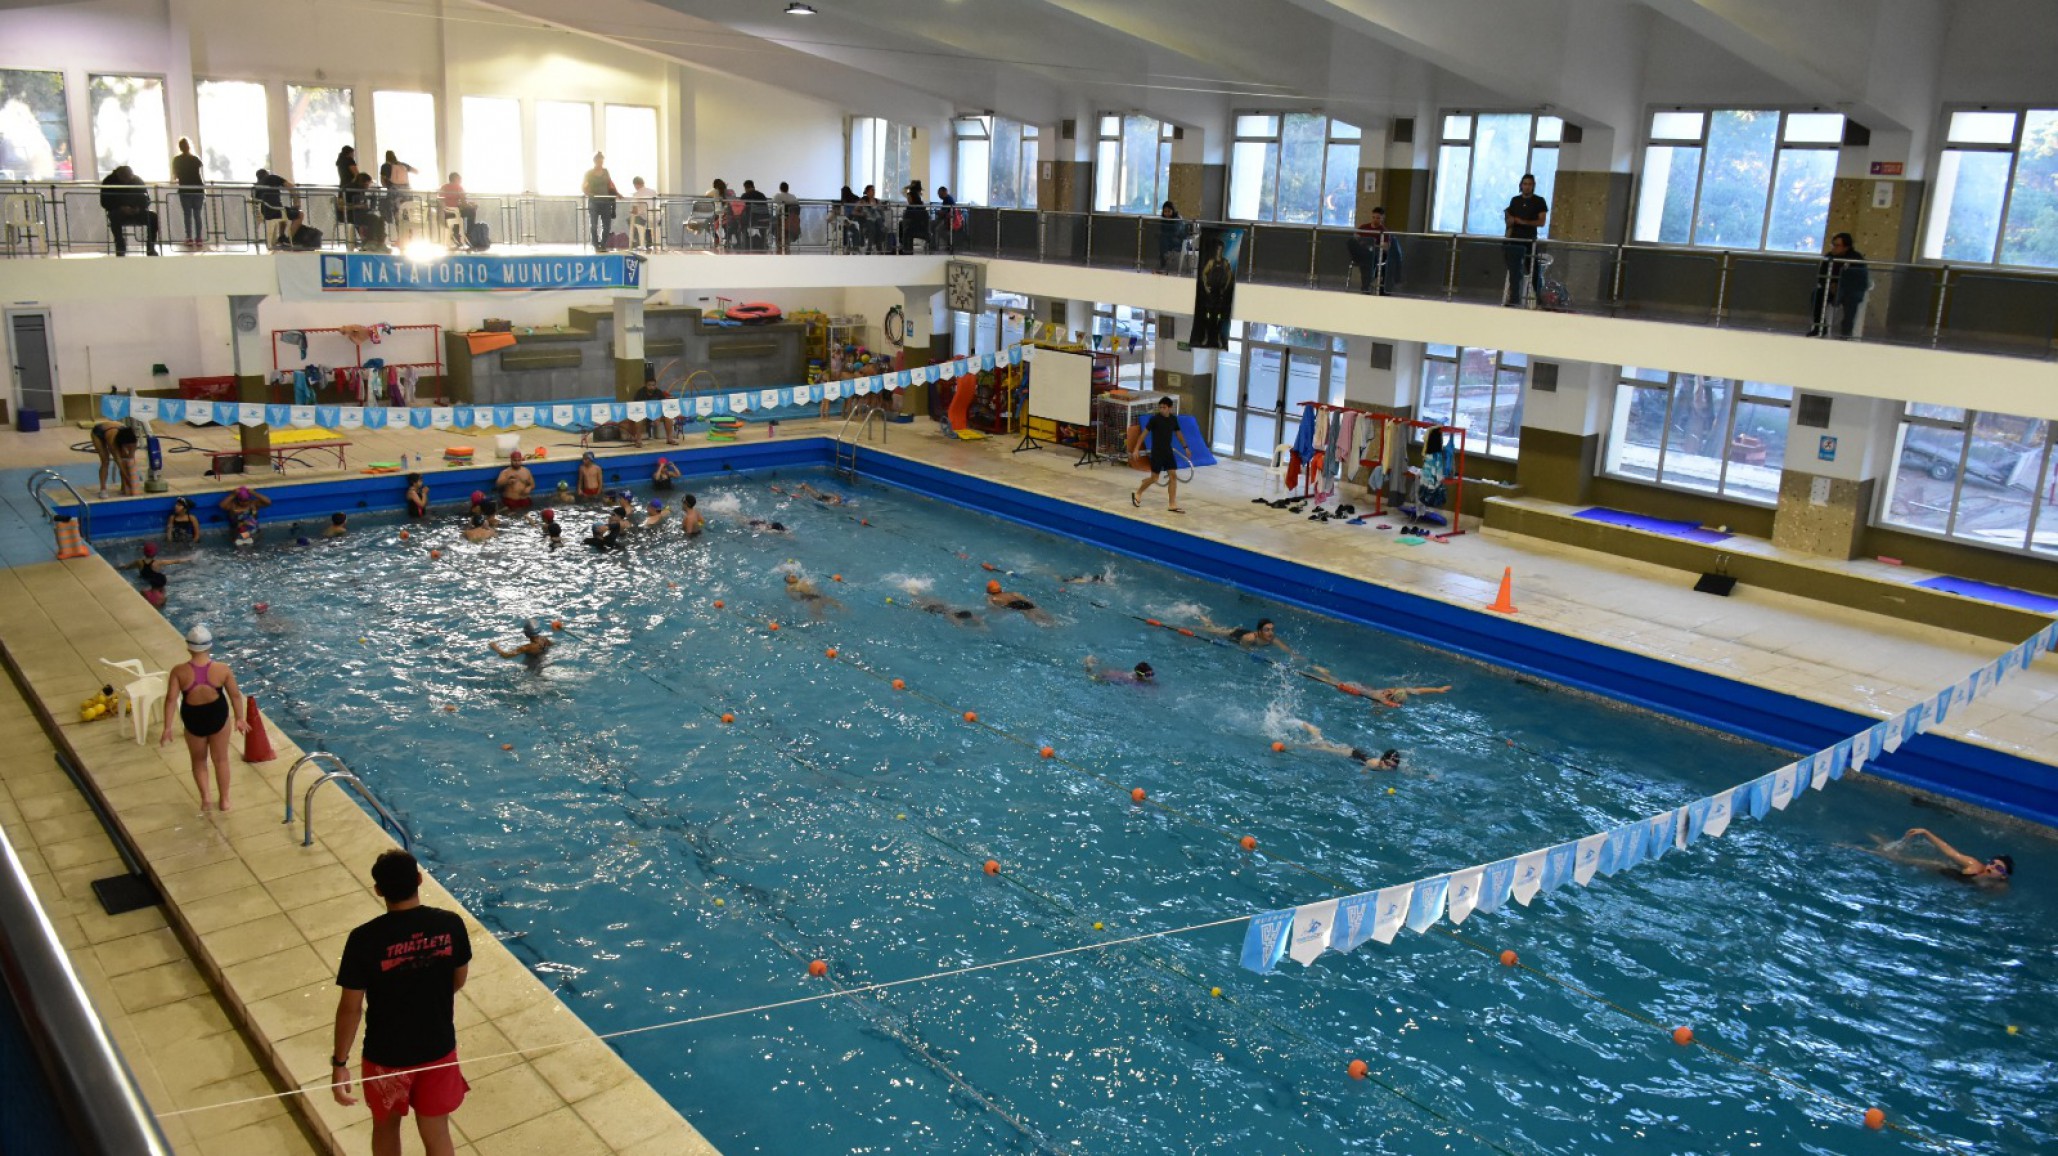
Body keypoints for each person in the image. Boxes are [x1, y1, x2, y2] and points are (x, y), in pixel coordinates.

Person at [331, 849, 473, 1156]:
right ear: (420, 880)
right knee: (437, 1134)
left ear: (379, 890)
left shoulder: (363, 939)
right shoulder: (450, 925)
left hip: (386, 1056)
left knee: (385, 1128)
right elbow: (457, 980)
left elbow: (350, 1008)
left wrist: (340, 1062)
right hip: (438, 1048)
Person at [159, 624, 246, 811]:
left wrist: (167, 728)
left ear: (188, 647)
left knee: (198, 760)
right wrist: (240, 718)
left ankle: (206, 799)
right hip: (218, 717)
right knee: (221, 759)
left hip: (193, 720)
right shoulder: (222, 669)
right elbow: (236, 695)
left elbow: (171, 700)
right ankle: (224, 801)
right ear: (210, 646)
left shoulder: (179, 671)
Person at [1130, 398, 1191, 513]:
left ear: (1170, 408)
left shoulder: (1173, 419)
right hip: (1157, 452)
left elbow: (1179, 434)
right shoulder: (1155, 420)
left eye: (1164, 407)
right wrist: (1136, 449)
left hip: (1168, 451)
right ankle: (1138, 493)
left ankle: (1172, 504)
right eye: (1160, 407)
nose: (1162, 410)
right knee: (1154, 478)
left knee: (1173, 476)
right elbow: (1143, 435)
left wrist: (1185, 447)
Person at [1809, 232, 1872, 339]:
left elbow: (1859, 279)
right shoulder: (1829, 257)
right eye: (1833, 245)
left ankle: (1846, 332)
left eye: (1837, 245)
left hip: (1850, 290)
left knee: (1851, 300)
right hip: (1832, 288)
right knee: (1817, 294)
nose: (1834, 248)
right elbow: (1822, 275)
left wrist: (1841, 285)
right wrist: (1829, 285)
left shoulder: (1856, 258)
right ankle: (1819, 326)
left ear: (1846, 247)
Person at [1897, 827, 2013, 883]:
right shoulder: (1974, 865)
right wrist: (1926, 832)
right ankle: (1887, 851)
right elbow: (1950, 852)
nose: (1992, 867)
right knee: (1902, 860)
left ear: (2003, 876)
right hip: (1948, 872)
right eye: (1992, 863)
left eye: (1998, 868)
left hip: (1960, 886)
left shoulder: (1997, 888)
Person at [1502, 173, 1548, 308]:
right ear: (1521, 185)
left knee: (1535, 272)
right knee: (1515, 272)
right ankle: (1514, 300)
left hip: (1530, 241)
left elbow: (1541, 222)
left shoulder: (1539, 201)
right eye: (1525, 184)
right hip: (1515, 240)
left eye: (1530, 184)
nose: (1527, 187)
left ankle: (1540, 301)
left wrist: (1522, 221)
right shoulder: (1514, 200)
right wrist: (1510, 220)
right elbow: (1509, 219)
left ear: (1533, 186)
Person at [1283, 719, 1401, 771]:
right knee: (1320, 748)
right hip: (1349, 753)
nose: (1390, 768)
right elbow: (1365, 770)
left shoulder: (1387, 766)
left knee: (1323, 745)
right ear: (1382, 761)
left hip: (1358, 753)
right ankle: (1297, 743)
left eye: (1393, 766)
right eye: (1388, 764)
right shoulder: (1374, 764)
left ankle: (1315, 732)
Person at [99, 165, 160, 256]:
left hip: (137, 211)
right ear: (119, 176)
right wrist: (121, 207)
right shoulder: (108, 181)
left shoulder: (137, 180)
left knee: (153, 217)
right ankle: (120, 247)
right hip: (118, 211)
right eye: (125, 178)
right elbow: (105, 202)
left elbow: (146, 199)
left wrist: (139, 208)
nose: (127, 181)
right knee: (114, 216)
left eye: (129, 178)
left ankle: (150, 247)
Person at [1348, 206, 1402, 295]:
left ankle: (1366, 287)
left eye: (1378, 218)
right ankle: (1366, 286)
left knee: (1368, 261)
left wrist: (1373, 245)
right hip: (1362, 253)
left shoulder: (1384, 231)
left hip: (1374, 254)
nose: (1375, 220)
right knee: (1351, 243)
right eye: (1373, 217)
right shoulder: (1364, 227)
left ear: (1382, 218)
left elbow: (1386, 247)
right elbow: (1355, 238)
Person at [1192, 236, 1235, 347]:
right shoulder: (1211, 262)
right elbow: (1203, 273)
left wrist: (1225, 287)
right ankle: (1206, 337)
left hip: (1219, 294)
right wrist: (1206, 286)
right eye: (1218, 249)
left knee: (1219, 318)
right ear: (1216, 250)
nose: (1219, 251)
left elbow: (1230, 275)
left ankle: (1219, 338)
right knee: (1207, 317)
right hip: (1211, 294)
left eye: (1221, 249)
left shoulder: (1225, 262)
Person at [120, 542, 186, 608]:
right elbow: (175, 561)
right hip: (154, 585)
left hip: (142, 582)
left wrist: (119, 566)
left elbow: (126, 567)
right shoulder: (157, 563)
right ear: (155, 553)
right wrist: (189, 559)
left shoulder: (139, 562)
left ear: (144, 552)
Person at [1197, 614, 1292, 655]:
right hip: (1235, 635)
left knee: (1215, 629)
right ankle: (1200, 620)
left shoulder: (1272, 638)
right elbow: (1243, 647)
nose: (1270, 632)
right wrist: (1251, 651)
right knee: (1211, 631)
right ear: (1259, 631)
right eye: (1267, 630)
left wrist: (1293, 655)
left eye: (1272, 629)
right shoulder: (1249, 639)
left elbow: (1283, 647)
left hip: (1244, 632)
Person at [89, 420, 139, 497]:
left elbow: (131, 461)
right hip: (99, 432)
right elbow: (119, 463)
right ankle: (103, 489)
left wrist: (133, 480)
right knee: (105, 461)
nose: (129, 448)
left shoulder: (133, 442)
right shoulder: (113, 441)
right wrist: (129, 481)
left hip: (118, 429)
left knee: (125, 460)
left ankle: (123, 488)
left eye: (130, 447)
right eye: (127, 447)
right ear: (122, 444)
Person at [583, 153, 619, 251]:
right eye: (598, 161)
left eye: (602, 161)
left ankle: (603, 244)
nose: (600, 163)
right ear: (595, 161)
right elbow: (584, 186)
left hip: (606, 201)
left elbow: (610, 184)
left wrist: (617, 193)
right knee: (594, 224)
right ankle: (595, 244)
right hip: (594, 202)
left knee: (607, 225)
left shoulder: (606, 171)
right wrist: (588, 193)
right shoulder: (589, 173)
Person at [171, 137, 204, 244]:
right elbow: (199, 173)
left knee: (187, 214)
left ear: (180, 148)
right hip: (198, 189)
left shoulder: (177, 160)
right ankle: (199, 238)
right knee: (197, 214)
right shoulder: (195, 159)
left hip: (185, 189)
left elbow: (175, 176)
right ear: (189, 146)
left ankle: (189, 237)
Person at [345, 172, 387, 252]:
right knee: (373, 219)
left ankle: (380, 242)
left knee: (380, 219)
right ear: (364, 182)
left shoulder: (361, 190)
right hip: (350, 214)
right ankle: (370, 242)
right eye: (368, 183)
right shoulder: (349, 189)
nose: (369, 186)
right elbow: (341, 206)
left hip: (360, 213)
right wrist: (357, 206)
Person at [632, 371, 677, 446]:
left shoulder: (658, 392)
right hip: (644, 415)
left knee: (668, 417)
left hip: (657, 415)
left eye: (653, 385)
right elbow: (637, 407)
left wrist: (658, 416)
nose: (651, 387)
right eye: (649, 385)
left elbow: (664, 406)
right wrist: (650, 415)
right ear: (645, 385)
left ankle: (669, 439)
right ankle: (638, 441)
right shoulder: (640, 393)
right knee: (638, 418)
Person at [253, 168, 292, 249]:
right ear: (267, 174)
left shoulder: (256, 186)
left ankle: (280, 238)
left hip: (263, 212)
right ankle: (284, 238)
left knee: (283, 212)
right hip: (275, 211)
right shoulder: (273, 178)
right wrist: (296, 199)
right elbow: (290, 186)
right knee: (298, 214)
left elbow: (255, 201)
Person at [985, 579, 1053, 625]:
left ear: (989, 591)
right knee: (1035, 610)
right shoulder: (1012, 593)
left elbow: (992, 607)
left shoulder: (991, 597)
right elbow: (1027, 600)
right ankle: (1054, 622)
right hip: (1027, 604)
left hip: (1013, 605)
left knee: (1039, 622)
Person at [490, 619, 554, 664]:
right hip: (546, 663)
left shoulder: (526, 648)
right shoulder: (545, 639)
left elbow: (506, 655)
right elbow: (553, 645)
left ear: (526, 633)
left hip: (535, 671)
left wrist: (495, 647)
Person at [438, 173, 477, 247]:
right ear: (456, 179)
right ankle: (469, 234)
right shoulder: (458, 187)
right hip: (454, 211)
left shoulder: (443, 187)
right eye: (460, 179)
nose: (461, 181)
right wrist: (471, 205)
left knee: (460, 215)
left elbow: (442, 200)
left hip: (445, 212)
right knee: (471, 211)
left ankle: (455, 232)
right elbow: (464, 202)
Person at [1157, 201, 1190, 274]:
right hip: (1169, 241)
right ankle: (1163, 263)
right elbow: (1162, 231)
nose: (1167, 213)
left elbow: (1176, 233)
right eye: (1165, 211)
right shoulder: (1163, 220)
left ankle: (1164, 264)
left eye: (1169, 211)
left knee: (1163, 240)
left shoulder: (1177, 219)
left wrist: (1164, 235)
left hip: (1180, 242)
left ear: (1173, 210)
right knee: (1162, 240)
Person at [898, 180, 930, 254]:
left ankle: (906, 250)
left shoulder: (917, 207)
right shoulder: (913, 206)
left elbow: (914, 220)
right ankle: (905, 247)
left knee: (906, 231)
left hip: (920, 229)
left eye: (909, 198)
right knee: (902, 226)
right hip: (914, 226)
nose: (907, 199)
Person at [626, 177, 658, 250]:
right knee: (648, 224)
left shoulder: (636, 194)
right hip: (657, 216)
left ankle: (638, 241)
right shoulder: (653, 191)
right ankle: (649, 241)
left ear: (636, 185)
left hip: (645, 218)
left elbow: (635, 210)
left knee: (631, 220)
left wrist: (631, 211)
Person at [740, 180, 771, 251]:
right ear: (753, 186)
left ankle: (745, 243)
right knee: (761, 227)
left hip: (752, 220)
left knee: (741, 221)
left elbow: (741, 209)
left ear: (745, 187)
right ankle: (763, 243)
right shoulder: (762, 195)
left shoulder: (745, 196)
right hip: (765, 220)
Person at [772, 181, 801, 254]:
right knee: (786, 233)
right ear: (788, 189)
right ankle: (787, 248)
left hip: (781, 220)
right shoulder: (793, 197)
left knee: (773, 223)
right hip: (791, 221)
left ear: (780, 188)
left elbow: (773, 201)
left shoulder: (778, 196)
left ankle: (779, 247)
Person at [1085, 657, 1155, 685]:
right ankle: (1089, 666)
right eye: (1148, 675)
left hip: (1112, 672)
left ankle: (1092, 663)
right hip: (1108, 676)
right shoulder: (1132, 680)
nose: (1151, 677)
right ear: (1140, 674)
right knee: (1092, 676)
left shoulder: (1137, 674)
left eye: (1152, 674)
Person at [933, 185, 957, 253]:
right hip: (948, 219)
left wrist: (938, 212)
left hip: (949, 220)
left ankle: (937, 246)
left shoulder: (947, 199)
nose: (938, 195)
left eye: (939, 193)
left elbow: (945, 212)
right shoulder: (948, 199)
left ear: (943, 192)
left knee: (937, 229)